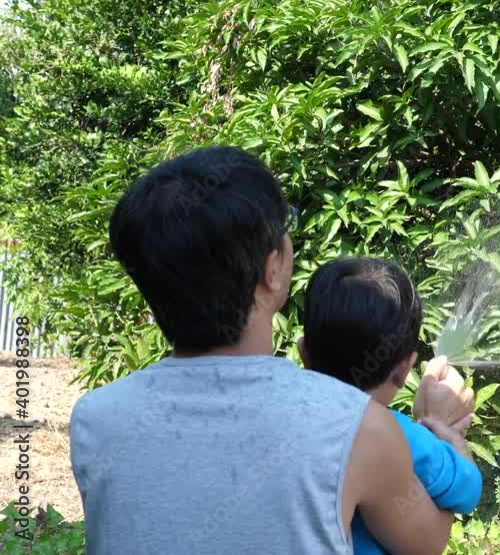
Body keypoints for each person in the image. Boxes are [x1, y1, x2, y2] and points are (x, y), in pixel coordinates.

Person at [69, 146, 473, 554]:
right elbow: (425, 544)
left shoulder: (95, 419)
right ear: (272, 269)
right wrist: (442, 430)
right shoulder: (357, 426)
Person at [298, 257, 482, 554]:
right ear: (403, 371)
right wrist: (449, 435)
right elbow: (467, 490)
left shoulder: (287, 418)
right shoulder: (400, 436)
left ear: (303, 351)